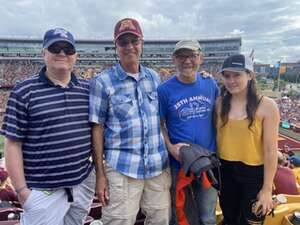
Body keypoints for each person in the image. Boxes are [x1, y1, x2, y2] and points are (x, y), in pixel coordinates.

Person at [0, 28, 95, 225]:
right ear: (44, 53)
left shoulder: (88, 89)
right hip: (42, 191)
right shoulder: (24, 90)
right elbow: (12, 144)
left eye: (68, 49)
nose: (62, 53)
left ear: (75, 55)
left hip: (81, 185)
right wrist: (22, 192)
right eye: (55, 48)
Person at [89, 18, 171, 225]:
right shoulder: (102, 82)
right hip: (122, 168)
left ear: (142, 43)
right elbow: (97, 129)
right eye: (123, 42)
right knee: (119, 221)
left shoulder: (153, 77)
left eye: (134, 41)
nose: (129, 47)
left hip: (157, 166)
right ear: (116, 47)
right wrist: (100, 174)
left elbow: (160, 120)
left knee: (160, 220)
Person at [158, 40, 219, 225]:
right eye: (182, 56)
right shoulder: (164, 90)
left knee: (207, 217)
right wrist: (170, 147)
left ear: (200, 57)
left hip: (207, 161)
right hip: (180, 164)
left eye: (192, 56)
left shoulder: (210, 84)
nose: (187, 61)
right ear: (174, 60)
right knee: (180, 215)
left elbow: (219, 117)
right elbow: (159, 124)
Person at [215, 54, 279, 225]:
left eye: (237, 75)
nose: (231, 80)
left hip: (254, 175)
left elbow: (270, 151)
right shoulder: (220, 103)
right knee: (229, 219)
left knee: (251, 222)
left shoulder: (267, 106)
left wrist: (266, 189)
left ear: (250, 75)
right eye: (227, 76)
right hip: (225, 171)